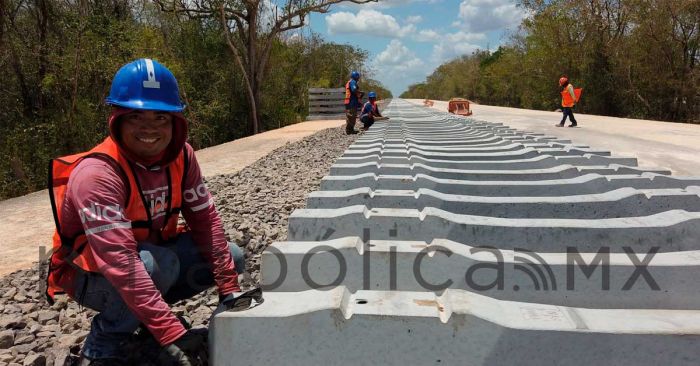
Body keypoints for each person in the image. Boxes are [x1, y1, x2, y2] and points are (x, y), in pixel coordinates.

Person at [45, 58, 247, 365]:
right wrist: (171, 333)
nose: (149, 129)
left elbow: (205, 221)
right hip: (89, 275)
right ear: (117, 119)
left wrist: (229, 290)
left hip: (149, 259)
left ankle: (144, 319)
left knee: (232, 256)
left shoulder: (183, 156)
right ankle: (102, 344)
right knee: (157, 266)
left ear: (175, 122)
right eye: (136, 117)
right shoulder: (98, 174)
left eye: (161, 118)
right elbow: (121, 263)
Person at [344, 71, 363, 135]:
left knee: (351, 116)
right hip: (351, 102)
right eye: (358, 77)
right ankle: (349, 130)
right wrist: (360, 92)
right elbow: (354, 90)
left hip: (349, 102)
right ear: (356, 77)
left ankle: (350, 129)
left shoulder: (349, 82)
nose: (358, 79)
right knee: (351, 116)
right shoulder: (353, 82)